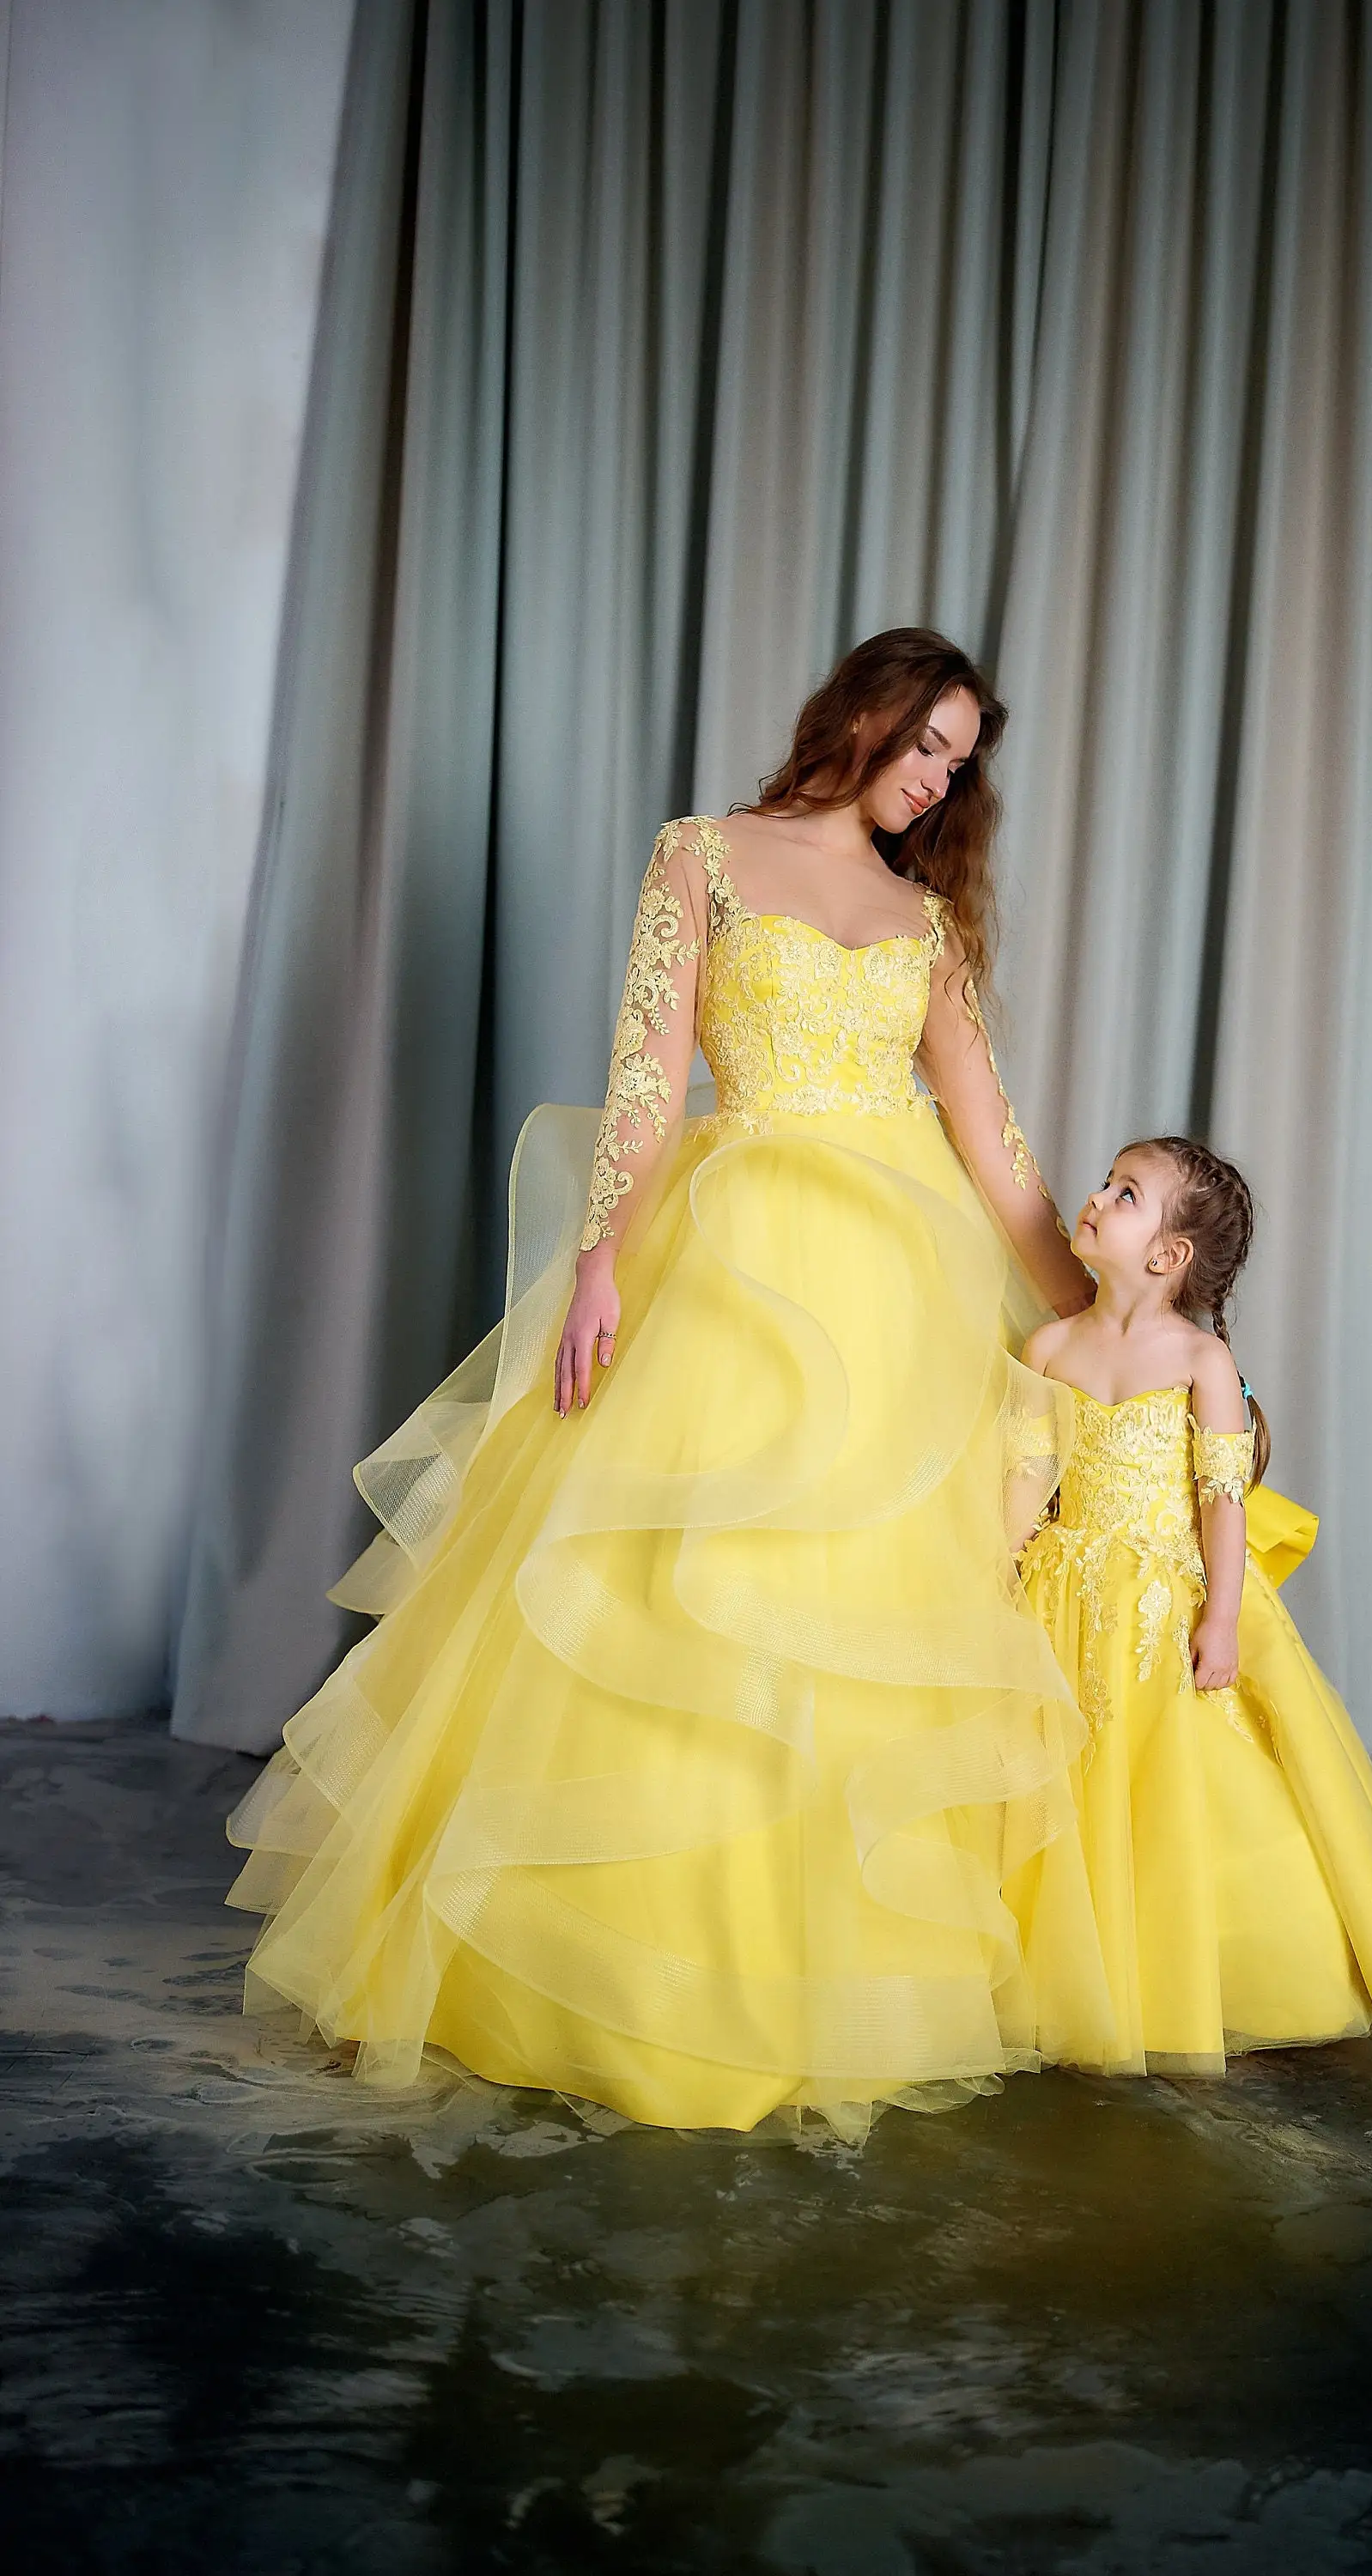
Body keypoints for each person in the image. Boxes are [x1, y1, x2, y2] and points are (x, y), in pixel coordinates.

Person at [228, 630, 1096, 2140]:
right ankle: (621, 1970)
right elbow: (643, 1077)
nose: (934, 779)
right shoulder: (703, 854)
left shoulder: (925, 919)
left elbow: (994, 1146)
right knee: (676, 1593)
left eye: (956, 762)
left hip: (892, 1289)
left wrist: (1100, 1323)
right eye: (922, 744)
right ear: (862, 717)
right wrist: (606, 1261)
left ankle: (820, 1972)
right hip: (733, 1251)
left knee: (853, 1612)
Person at [1006, 1134, 1372, 2074]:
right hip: (1063, 1593)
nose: (1091, 1198)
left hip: (1163, 1603)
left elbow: (1221, 1502)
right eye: (1106, 1182)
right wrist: (995, 1571)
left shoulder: (1197, 1359)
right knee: (1061, 1785)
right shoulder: (1047, 1347)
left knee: (1171, 1787)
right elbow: (1027, 1479)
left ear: (1166, 1257)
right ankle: (1063, 1972)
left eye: (1123, 1194)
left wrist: (1217, 1617)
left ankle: (1188, 1970)